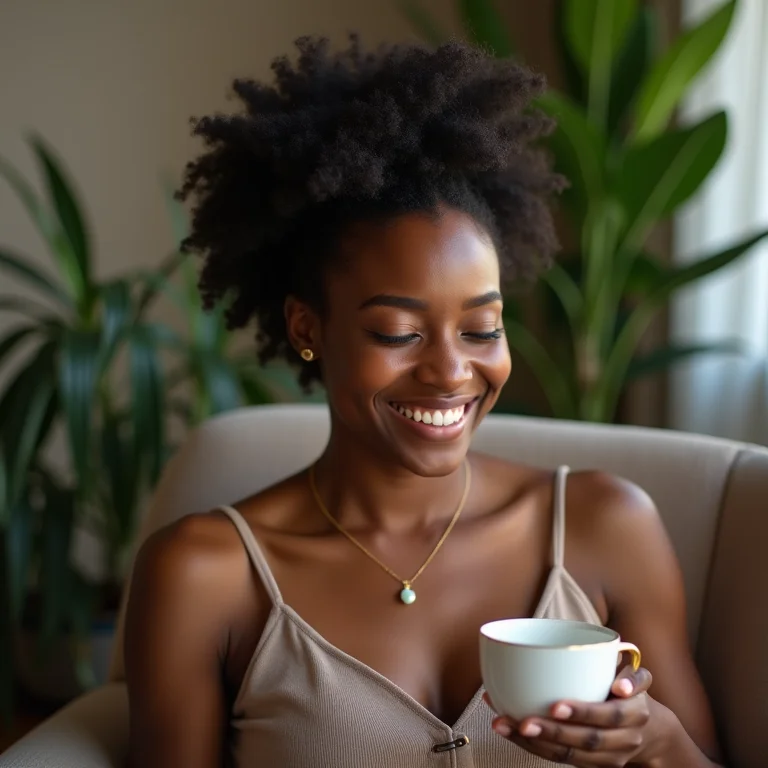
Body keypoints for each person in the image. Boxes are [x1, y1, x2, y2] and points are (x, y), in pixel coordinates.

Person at [124, 35, 724, 768]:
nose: (450, 372)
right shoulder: (204, 575)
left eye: (481, 328)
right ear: (307, 328)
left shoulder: (607, 527)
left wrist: (656, 742)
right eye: (399, 332)